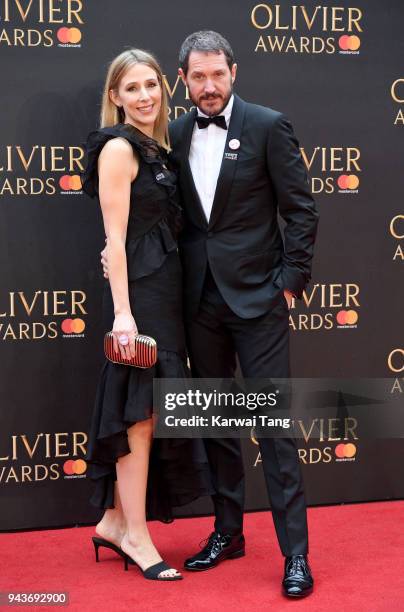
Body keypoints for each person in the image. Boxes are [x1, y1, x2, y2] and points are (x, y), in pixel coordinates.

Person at [102, 31, 318, 597]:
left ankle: (296, 554)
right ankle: (228, 531)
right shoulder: (169, 135)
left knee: (272, 428)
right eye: (197, 77)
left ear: (233, 72)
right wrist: (114, 257)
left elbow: (301, 209)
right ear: (185, 80)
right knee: (219, 425)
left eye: (217, 74)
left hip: (259, 301)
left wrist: (289, 281)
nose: (209, 86)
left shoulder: (268, 126)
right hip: (197, 303)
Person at [81, 48, 211, 582]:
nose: (144, 97)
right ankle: (135, 535)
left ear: (164, 88)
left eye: (151, 85)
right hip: (141, 303)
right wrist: (124, 315)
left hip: (166, 296)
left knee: (150, 416)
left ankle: (114, 521)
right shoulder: (117, 148)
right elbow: (113, 239)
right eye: (131, 88)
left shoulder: (159, 148)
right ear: (115, 97)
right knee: (141, 417)